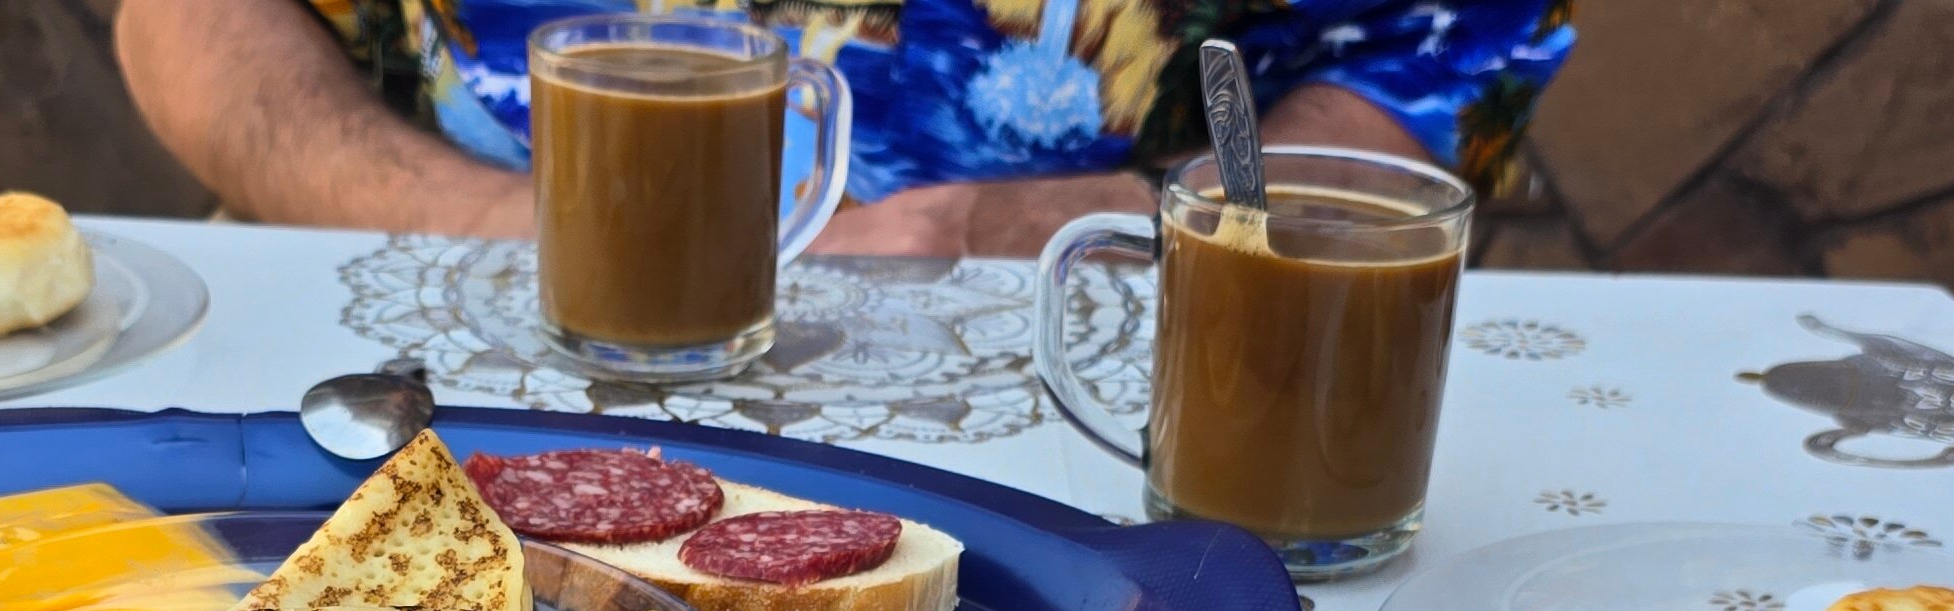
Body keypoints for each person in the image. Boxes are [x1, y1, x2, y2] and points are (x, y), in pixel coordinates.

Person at [122, 0, 1572, 259]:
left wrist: (1041, 227)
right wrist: (528, 234)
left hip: (1061, 326)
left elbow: (1432, 54)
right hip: (425, 290)